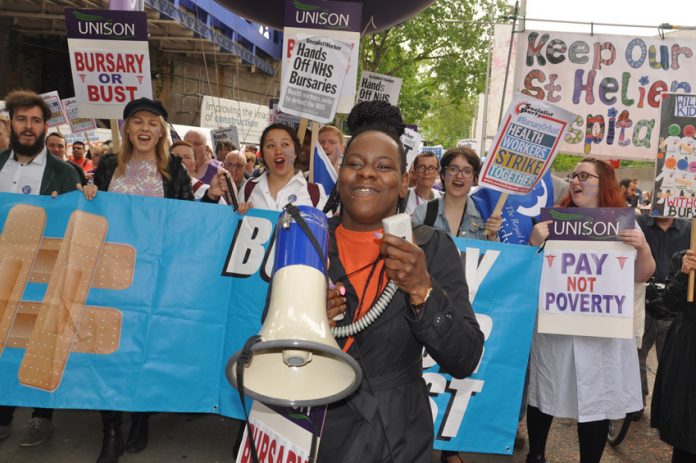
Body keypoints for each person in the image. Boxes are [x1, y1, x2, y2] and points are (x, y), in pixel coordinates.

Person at [318, 100, 484, 462]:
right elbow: (270, 341)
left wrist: (423, 290)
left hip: (397, 437)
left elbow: (465, 357)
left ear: (404, 181)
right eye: (355, 164)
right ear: (341, 172)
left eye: (383, 166)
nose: (366, 174)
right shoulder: (307, 241)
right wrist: (310, 323)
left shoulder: (431, 246)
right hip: (318, 429)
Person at [84, 98, 229, 463]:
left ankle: (142, 418)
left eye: (153, 123)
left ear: (161, 131)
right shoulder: (106, 167)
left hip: (154, 278)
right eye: (138, 122)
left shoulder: (172, 172)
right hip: (110, 277)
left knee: (144, 350)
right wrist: (84, 194)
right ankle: (112, 430)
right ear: (127, 129)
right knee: (109, 352)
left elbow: (187, 221)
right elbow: (89, 212)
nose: (145, 129)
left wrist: (211, 200)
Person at [526, 157, 655, 463]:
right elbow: (529, 272)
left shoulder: (624, 224)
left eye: (585, 175)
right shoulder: (554, 222)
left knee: (596, 399)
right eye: (574, 175)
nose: (576, 180)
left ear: (604, 183)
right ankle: (536, 455)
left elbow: (642, 274)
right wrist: (534, 243)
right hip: (557, 328)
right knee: (544, 392)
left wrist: (643, 248)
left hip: (601, 333)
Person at [0, 89, 80, 447]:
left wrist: (78, 198)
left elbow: (77, 223)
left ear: (45, 126)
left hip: (43, 273)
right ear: (11, 123)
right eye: (22, 119)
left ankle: (40, 416)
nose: (28, 127)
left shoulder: (64, 173)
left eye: (35, 120)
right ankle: (2, 415)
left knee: (39, 338)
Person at [636, 215, 691, 409]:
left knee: (668, 361)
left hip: (673, 303)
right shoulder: (638, 223)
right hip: (643, 299)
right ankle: (637, 402)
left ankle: (665, 406)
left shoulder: (690, 229)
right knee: (637, 355)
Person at [651, 249, 696, 462]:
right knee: (688, 430)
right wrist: (683, 273)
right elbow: (669, 302)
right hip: (689, 352)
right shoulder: (686, 257)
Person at [411, 147, 502, 241]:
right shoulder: (422, 213)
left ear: (474, 178)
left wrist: (492, 236)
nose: (459, 176)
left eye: (467, 171)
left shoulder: (484, 214)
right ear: (442, 174)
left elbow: (492, 254)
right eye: (453, 169)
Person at [236, 123, 327, 212]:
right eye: (271, 145)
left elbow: (325, 226)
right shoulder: (249, 188)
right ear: (263, 154)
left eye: (285, 144)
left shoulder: (315, 193)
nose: (278, 151)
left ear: (296, 152)